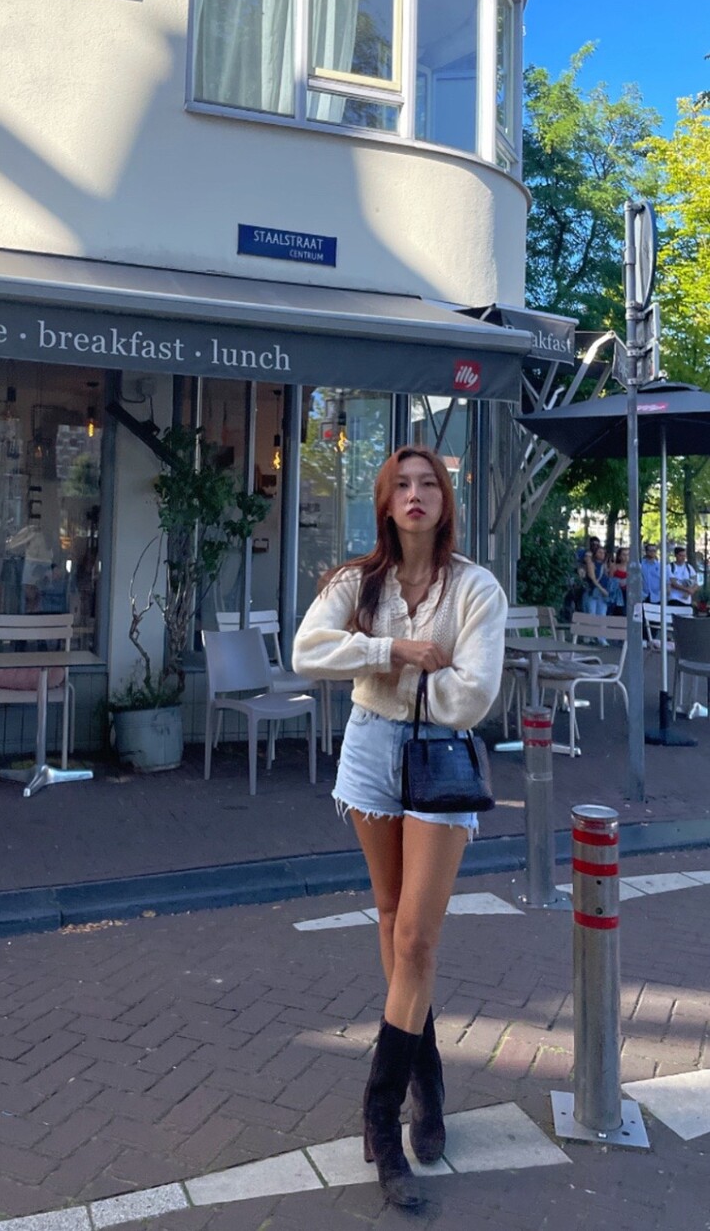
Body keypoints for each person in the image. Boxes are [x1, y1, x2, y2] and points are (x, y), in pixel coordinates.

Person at [292, 445, 506, 1209]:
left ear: (445, 501)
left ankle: (380, 1117)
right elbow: (307, 650)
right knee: (387, 915)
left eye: (429, 484)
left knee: (416, 938)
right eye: (402, 485)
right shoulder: (358, 581)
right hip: (369, 751)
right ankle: (427, 1077)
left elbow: (474, 694)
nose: (416, 494)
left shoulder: (476, 587)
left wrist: (386, 672)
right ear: (385, 502)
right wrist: (398, 650)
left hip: (441, 756)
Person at [607, 547, 628, 617]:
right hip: (617, 593)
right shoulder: (614, 567)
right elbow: (610, 580)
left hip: (628, 593)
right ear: (619, 556)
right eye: (624, 554)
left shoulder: (632, 567)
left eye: (627, 554)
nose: (626, 557)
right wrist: (618, 581)